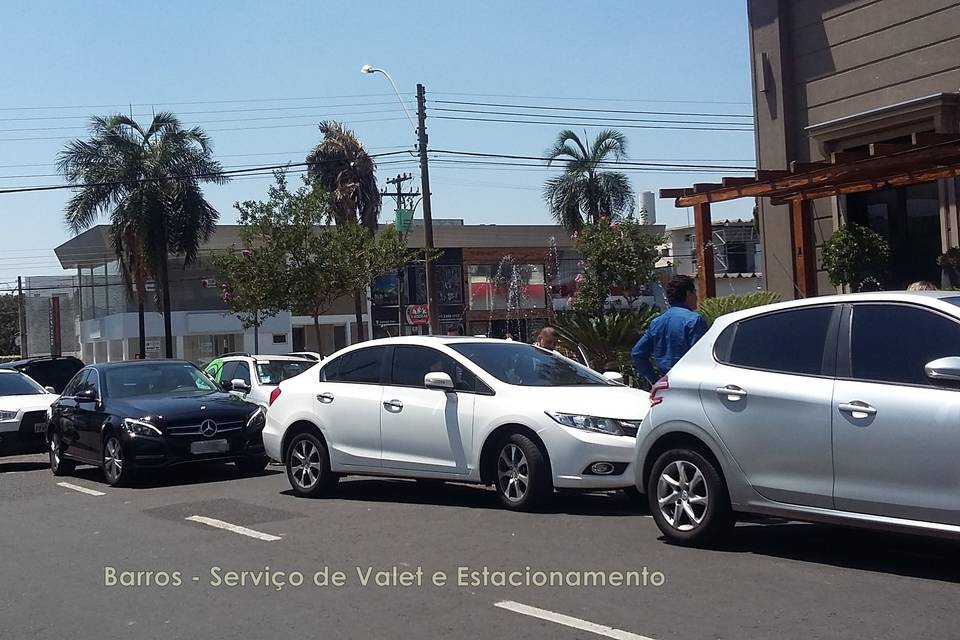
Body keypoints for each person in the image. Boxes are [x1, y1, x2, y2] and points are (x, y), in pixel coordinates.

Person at [631, 275, 707, 386]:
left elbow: (637, 353)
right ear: (687, 293)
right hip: (690, 386)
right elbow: (702, 357)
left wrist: (655, 380)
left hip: (665, 387)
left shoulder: (657, 322)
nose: (696, 296)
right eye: (694, 292)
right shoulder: (694, 320)